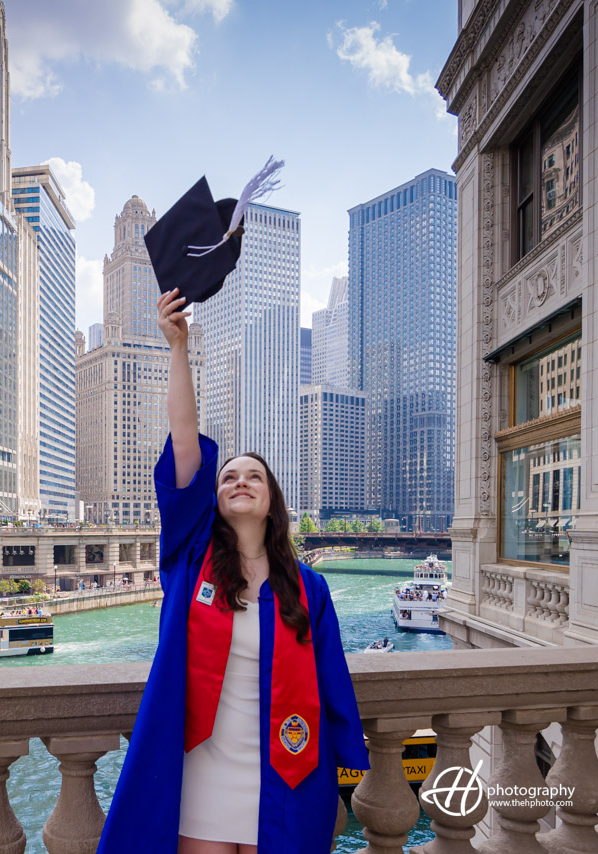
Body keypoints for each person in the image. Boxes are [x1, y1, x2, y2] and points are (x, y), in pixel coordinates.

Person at [96, 287, 369, 854]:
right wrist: (178, 347)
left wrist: (352, 770)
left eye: (254, 477)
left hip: (287, 768)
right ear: (213, 499)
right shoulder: (190, 561)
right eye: (228, 478)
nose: (239, 481)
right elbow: (185, 445)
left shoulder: (309, 589)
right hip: (203, 769)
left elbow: (333, 680)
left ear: (272, 500)